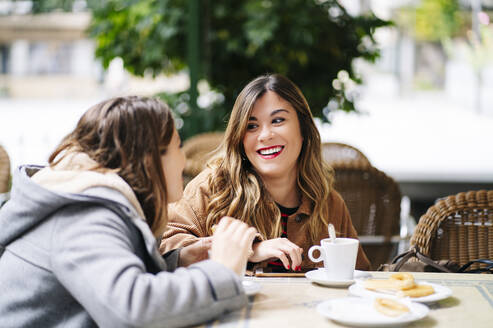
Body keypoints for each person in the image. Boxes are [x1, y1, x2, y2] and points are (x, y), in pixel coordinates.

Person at [0, 96, 257, 328]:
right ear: (148, 158)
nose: (183, 160)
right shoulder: (85, 213)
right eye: (177, 146)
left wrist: (178, 260)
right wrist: (222, 273)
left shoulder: (92, 203)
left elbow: (103, 284)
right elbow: (131, 310)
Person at [160, 74, 370, 273]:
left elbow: (359, 276)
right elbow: (164, 248)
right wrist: (250, 250)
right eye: (251, 126)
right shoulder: (212, 187)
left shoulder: (329, 203)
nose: (265, 135)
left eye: (278, 121)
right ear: (240, 138)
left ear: (304, 129)